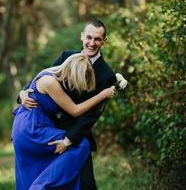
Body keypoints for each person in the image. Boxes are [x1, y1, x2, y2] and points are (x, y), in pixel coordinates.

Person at [18, 20, 117, 190]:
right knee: (43, 175)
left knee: (86, 184)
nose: (92, 43)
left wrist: (68, 140)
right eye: (89, 37)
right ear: (82, 36)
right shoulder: (66, 56)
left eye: (98, 39)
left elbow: (90, 116)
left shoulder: (106, 75)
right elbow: (43, 78)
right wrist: (22, 94)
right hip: (47, 129)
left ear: (104, 41)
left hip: (75, 134)